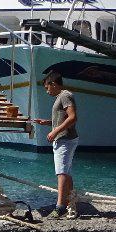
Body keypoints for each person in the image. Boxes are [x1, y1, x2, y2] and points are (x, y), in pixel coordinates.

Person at [32, 71, 78, 218]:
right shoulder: (62, 96)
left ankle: (60, 207)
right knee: (66, 172)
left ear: (53, 83)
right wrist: (48, 123)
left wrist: (54, 131)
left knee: (61, 173)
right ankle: (71, 203)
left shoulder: (65, 95)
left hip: (64, 139)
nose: (47, 91)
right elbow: (63, 118)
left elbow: (72, 117)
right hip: (66, 138)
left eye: (47, 87)